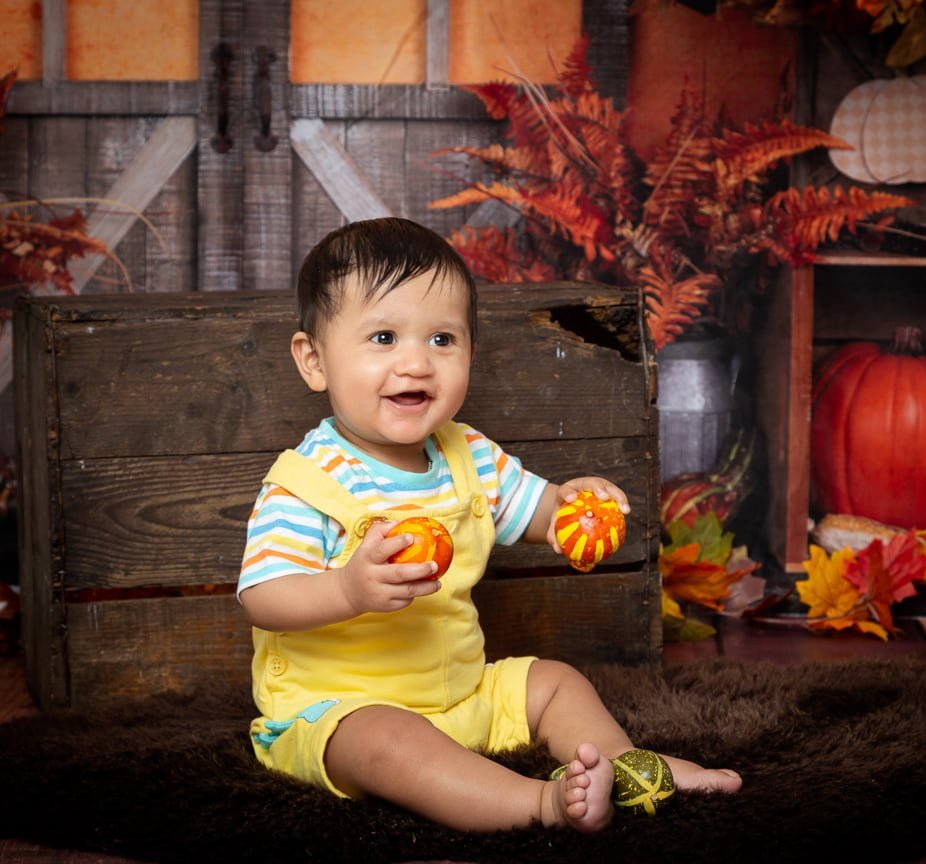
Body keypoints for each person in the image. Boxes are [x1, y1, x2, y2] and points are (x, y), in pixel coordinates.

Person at [238, 217, 742, 833]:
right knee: (389, 743)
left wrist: (574, 508)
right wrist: (347, 589)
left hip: (462, 693)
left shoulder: (469, 456)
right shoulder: (307, 483)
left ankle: (625, 765)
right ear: (314, 361)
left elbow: (536, 513)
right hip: (338, 712)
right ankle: (538, 804)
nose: (416, 364)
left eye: (443, 340)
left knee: (555, 682)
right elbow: (264, 597)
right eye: (385, 337)